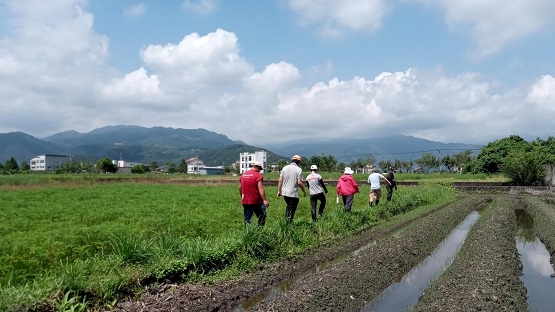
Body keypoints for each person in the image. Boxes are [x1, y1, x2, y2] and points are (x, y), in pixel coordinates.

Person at [277, 155, 307, 222]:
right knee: (292, 208)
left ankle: (287, 221)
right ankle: (288, 222)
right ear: (298, 162)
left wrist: (279, 191)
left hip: (284, 192)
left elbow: (280, 180)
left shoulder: (284, 168)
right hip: (293, 193)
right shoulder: (299, 169)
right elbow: (299, 183)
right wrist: (304, 191)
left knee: (289, 206)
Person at [239, 161, 269, 227]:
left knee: (247, 219)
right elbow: (260, 188)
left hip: (246, 201)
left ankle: (248, 234)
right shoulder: (258, 175)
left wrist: (242, 197)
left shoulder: (243, 175)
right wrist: (264, 200)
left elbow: (240, 188)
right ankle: (259, 232)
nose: (259, 171)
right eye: (259, 169)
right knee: (262, 217)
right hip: (256, 201)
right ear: (257, 167)